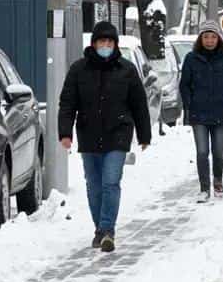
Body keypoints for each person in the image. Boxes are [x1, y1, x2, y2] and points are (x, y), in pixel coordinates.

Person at [58, 22, 152, 253]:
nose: (106, 46)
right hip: (89, 133)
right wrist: (65, 132)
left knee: (110, 181)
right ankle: (99, 229)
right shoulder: (78, 70)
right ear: (94, 44)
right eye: (102, 42)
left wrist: (144, 134)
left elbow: (139, 104)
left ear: (115, 45)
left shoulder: (126, 70)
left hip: (118, 133)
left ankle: (108, 229)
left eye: (110, 42)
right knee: (94, 185)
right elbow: (68, 103)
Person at [180, 21, 223, 202]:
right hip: (198, 113)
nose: (209, 40)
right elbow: (184, 84)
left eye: (213, 36)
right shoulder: (191, 58)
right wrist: (189, 104)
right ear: (200, 38)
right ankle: (204, 188)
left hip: (220, 112)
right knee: (202, 152)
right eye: (206, 36)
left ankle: (218, 181)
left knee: (219, 151)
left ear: (219, 38)